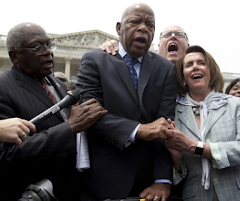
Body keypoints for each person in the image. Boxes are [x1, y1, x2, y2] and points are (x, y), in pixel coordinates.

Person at [76, 3, 177, 201]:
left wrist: (163, 180)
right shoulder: (95, 60)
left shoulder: (165, 69)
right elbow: (88, 116)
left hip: (148, 184)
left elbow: (166, 125)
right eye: (135, 21)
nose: (143, 28)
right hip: (101, 180)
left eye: (150, 24)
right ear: (119, 28)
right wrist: (139, 130)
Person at [0, 22, 107, 201]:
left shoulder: (55, 83)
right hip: (30, 193)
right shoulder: (3, 87)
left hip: (68, 190)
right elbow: (6, 155)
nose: (48, 52)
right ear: (14, 56)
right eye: (37, 47)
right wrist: (69, 128)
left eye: (49, 45)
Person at [164, 45, 240, 201]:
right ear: (182, 77)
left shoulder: (235, 105)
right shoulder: (174, 114)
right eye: (189, 65)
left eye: (201, 63)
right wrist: (177, 159)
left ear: (210, 71)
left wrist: (194, 146)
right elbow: (177, 177)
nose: (195, 67)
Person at [100, 25, 189, 64]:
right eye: (167, 35)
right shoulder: (141, 66)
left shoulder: (198, 75)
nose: (173, 36)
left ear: (188, 47)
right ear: (158, 47)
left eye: (179, 34)